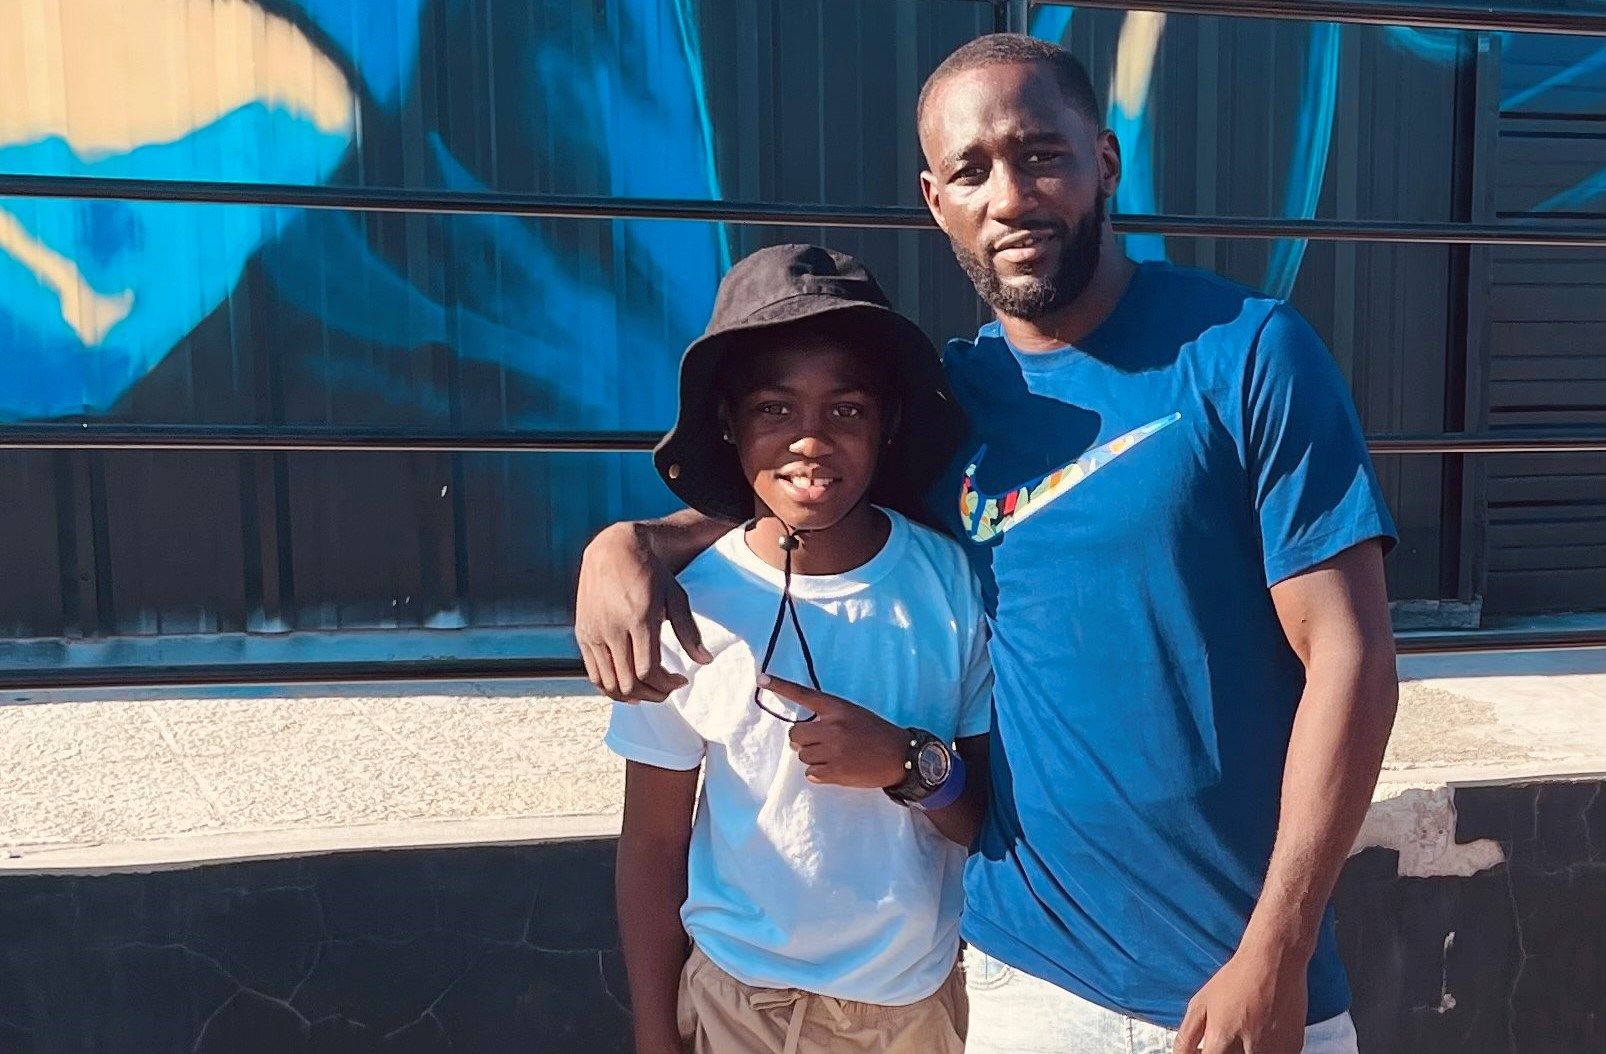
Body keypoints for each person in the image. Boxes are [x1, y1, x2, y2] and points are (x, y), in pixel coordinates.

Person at [579, 34, 1399, 1054]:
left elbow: (1352, 658)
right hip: (1027, 978)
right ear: (935, 201)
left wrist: (1274, 950)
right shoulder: (951, 404)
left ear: (1102, 158)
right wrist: (633, 542)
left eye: (1039, 154)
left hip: (1241, 985)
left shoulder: (1245, 353)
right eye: (970, 170)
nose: (1008, 196)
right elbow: (798, 476)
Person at [603, 243, 993, 1054]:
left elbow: (983, 815)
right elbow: (653, 842)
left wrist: (907, 762)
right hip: (735, 1005)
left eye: (846, 410)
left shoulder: (948, 585)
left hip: (907, 1010)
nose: (809, 441)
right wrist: (652, 1030)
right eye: (774, 410)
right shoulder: (689, 606)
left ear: (887, 423)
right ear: (726, 422)